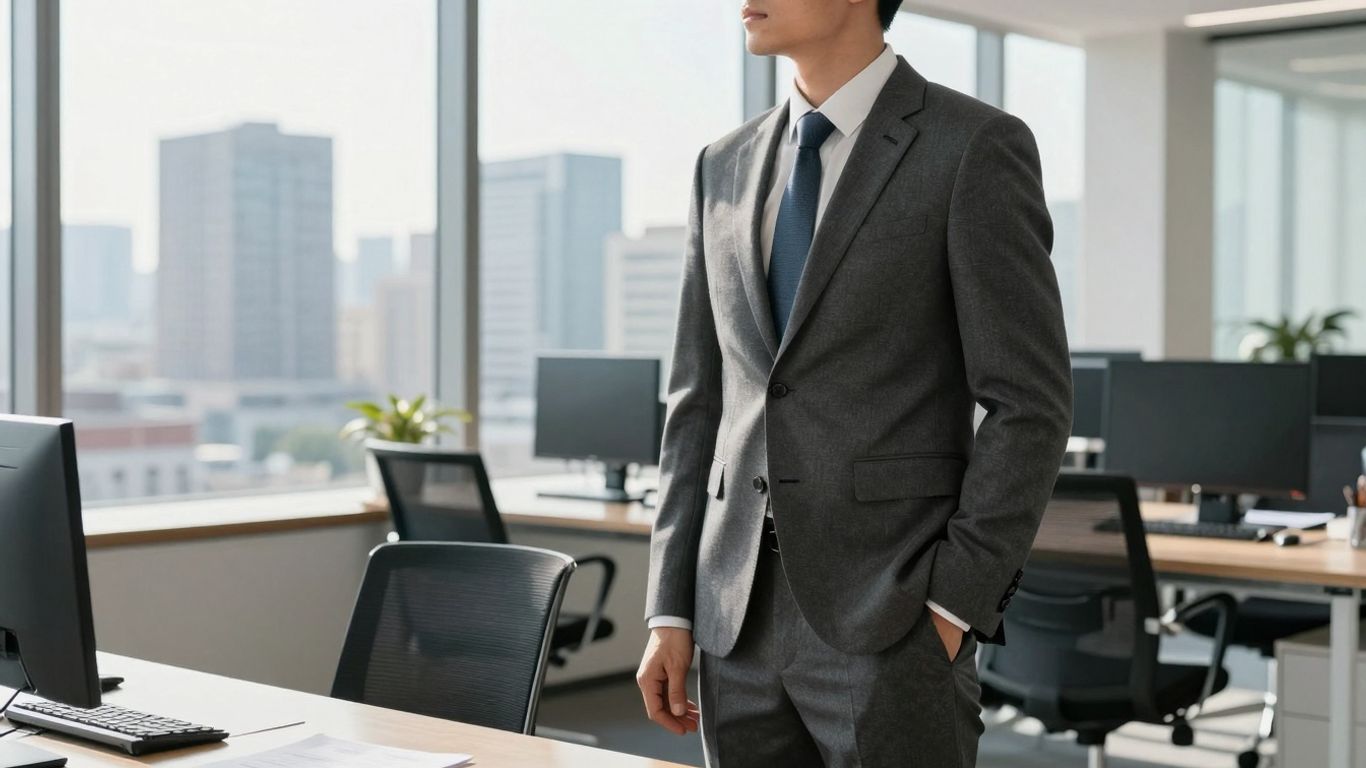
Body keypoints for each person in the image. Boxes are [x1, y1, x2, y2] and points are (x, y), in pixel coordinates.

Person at [636, 0, 1073, 765]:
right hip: (731, 613)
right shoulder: (722, 164)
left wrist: (950, 605)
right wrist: (668, 605)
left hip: (892, 612)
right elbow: (697, 402)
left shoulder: (971, 146)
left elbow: (1028, 404)